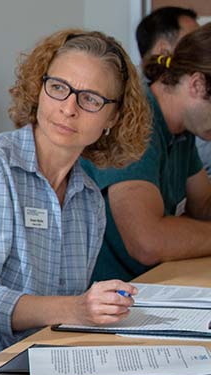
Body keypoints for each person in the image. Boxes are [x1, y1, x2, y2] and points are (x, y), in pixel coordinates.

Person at [0, 30, 152, 367]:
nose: (69, 108)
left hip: (35, 365)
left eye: (90, 98)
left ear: (113, 118)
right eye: (59, 88)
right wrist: (77, 309)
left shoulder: (89, 199)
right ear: (40, 88)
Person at [83, 24, 211, 282]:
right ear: (197, 84)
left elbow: (204, 206)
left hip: (149, 285)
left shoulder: (182, 129)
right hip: (103, 297)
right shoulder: (137, 120)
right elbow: (147, 241)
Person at [135, 6, 210, 175]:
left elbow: (203, 199)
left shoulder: (186, 121)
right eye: (190, 41)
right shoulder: (137, 126)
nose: (195, 47)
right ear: (197, 85)